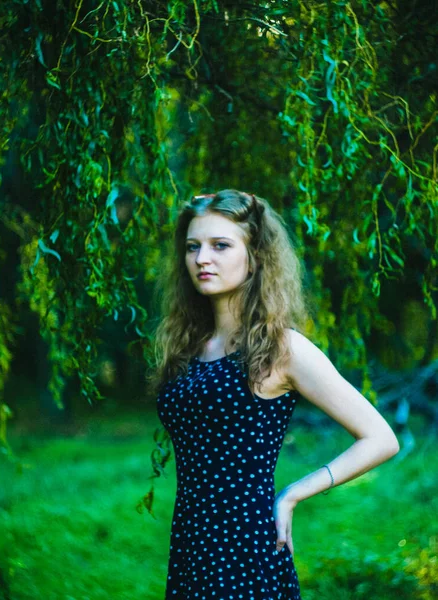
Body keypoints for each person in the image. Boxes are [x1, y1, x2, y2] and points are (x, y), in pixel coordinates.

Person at [148, 189, 400, 599]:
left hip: (246, 545)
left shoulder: (282, 348)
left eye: (221, 245)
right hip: (191, 542)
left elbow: (381, 438)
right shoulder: (190, 346)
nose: (201, 259)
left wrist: (293, 494)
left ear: (256, 257)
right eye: (193, 246)